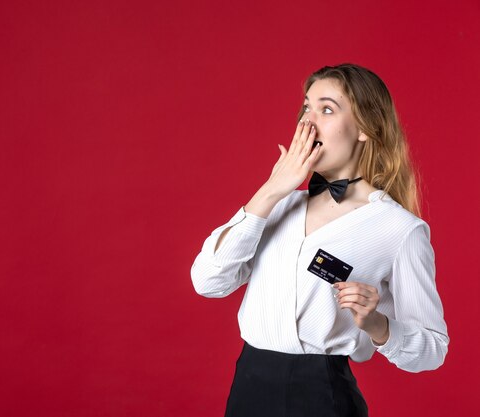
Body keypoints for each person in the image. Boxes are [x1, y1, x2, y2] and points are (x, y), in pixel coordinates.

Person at [190, 63, 449, 417]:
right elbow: (208, 282)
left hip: (322, 397)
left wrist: (377, 325)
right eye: (306, 107)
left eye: (326, 109)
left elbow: (432, 349)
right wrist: (271, 190)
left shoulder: (399, 229)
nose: (308, 122)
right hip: (247, 389)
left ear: (364, 128)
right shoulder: (278, 205)